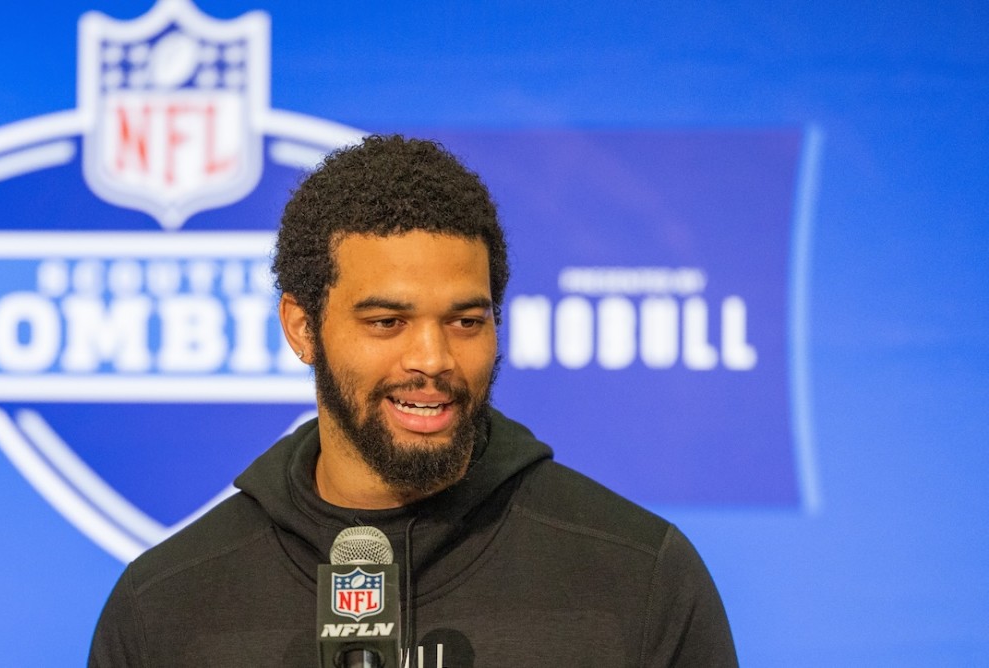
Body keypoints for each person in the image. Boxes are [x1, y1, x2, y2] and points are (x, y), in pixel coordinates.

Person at [89, 135, 738, 666]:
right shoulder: (167, 607)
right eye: (386, 322)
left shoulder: (636, 577)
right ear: (301, 327)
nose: (432, 359)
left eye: (465, 321)